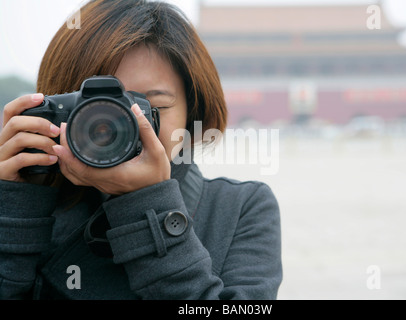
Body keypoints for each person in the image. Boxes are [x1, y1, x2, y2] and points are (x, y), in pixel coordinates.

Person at [0, 0, 282, 300]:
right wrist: (14, 207)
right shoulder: (29, 204)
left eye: (151, 108)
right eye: (95, 111)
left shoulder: (240, 209)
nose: (123, 126)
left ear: (192, 112)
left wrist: (150, 207)